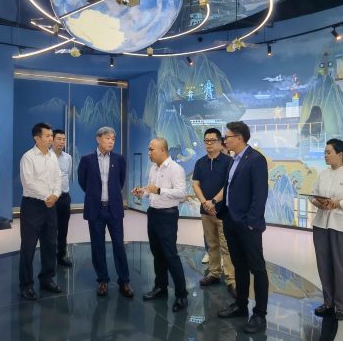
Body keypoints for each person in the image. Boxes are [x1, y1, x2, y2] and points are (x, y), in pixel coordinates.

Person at [216, 121, 269, 334]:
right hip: (231, 220)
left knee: (257, 268)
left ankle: (260, 314)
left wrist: (251, 222)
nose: (224, 140)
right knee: (239, 265)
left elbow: (260, 194)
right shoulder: (233, 160)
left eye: (227, 137)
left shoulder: (256, 160)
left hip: (248, 225)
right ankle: (240, 304)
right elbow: (230, 188)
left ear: (239, 138)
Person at [132, 138, 189, 312]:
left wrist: (159, 190)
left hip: (167, 216)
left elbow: (181, 193)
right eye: (149, 149)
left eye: (151, 149)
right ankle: (160, 287)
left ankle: (181, 295)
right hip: (153, 213)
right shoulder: (153, 168)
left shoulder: (176, 169)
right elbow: (151, 190)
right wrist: (142, 192)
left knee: (170, 255)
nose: (148, 152)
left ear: (163, 150)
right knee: (157, 253)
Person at [77, 126, 133, 298]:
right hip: (96, 209)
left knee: (119, 245)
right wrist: (94, 195)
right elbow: (82, 181)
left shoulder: (119, 159)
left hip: (113, 208)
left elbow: (120, 181)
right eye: (108, 138)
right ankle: (102, 280)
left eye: (113, 139)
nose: (111, 141)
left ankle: (124, 281)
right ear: (98, 139)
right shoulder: (87, 160)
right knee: (97, 245)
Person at [310, 138, 343, 321]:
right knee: (324, 265)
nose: (325, 155)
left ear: (340, 155)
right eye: (324, 152)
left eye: (328, 152)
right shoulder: (322, 174)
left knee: (342, 267)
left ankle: (341, 305)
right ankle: (328, 302)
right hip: (321, 224)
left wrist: (338, 204)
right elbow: (313, 195)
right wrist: (318, 202)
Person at [18, 122, 62, 300]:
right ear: (37, 138)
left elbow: (58, 178)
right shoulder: (28, 157)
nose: (51, 138)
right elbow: (28, 183)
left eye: (51, 135)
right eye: (48, 136)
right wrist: (48, 196)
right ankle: (26, 285)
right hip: (32, 206)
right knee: (28, 247)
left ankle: (47, 279)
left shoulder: (52, 157)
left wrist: (56, 195)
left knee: (50, 244)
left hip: (51, 206)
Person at [192, 128, 236, 297]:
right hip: (206, 211)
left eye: (212, 140)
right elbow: (195, 184)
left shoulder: (229, 162)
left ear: (220, 142)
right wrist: (205, 202)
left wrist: (214, 201)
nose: (209, 143)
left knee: (226, 246)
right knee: (211, 244)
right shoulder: (200, 163)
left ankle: (232, 280)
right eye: (206, 141)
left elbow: (228, 185)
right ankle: (214, 273)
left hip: (223, 211)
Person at [52, 129, 73, 267]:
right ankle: (49, 257)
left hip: (64, 197)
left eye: (64, 139)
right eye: (59, 139)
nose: (62, 142)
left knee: (63, 228)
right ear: (52, 140)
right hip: (50, 198)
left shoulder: (68, 158)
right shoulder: (47, 156)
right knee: (50, 229)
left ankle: (61, 256)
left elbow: (68, 175)